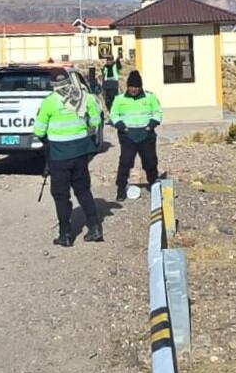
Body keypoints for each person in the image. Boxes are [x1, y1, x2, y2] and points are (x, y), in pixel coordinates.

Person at [33, 70, 104, 246]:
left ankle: (65, 234)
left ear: (52, 84)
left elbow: (39, 131)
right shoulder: (84, 97)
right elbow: (96, 121)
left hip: (59, 154)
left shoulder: (49, 102)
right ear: (68, 80)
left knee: (61, 195)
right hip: (81, 152)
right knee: (83, 190)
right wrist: (84, 132)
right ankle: (95, 228)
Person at [110, 70, 163, 200]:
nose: (134, 89)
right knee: (125, 162)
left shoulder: (150, 97)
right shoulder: (119, 99)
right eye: (132, 87)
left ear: (141, 86)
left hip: (146, 134)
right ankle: (121, 188)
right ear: (128, 86)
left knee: (150, 162)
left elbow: (157, 112)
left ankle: (154, 187)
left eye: (137, 87)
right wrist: (122, 127)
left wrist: (150, 125)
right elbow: (113, 114)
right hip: (128, 135)